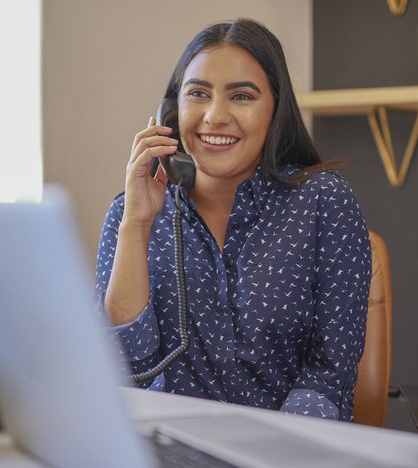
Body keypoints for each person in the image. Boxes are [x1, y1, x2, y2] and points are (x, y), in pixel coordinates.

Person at [95, 18, 371, 421]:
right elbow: (119, 376)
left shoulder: (323, 201)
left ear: (275, 108)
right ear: (170, 112)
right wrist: (137, 225)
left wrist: (271, 450)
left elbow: (329, 377)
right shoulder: (130, 213)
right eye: (197, 94)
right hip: (169, 446)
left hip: (288, 451)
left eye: (241, 96)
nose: (214, 116)